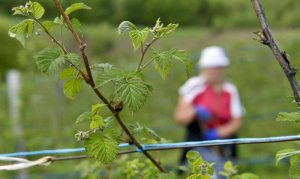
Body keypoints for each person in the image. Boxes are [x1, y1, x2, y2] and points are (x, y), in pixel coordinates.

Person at [174, 46, 243, 178]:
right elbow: (179, 117)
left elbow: (237, 121)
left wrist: (218, 133)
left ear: (222, 68)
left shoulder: (230, 90)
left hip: (224, 144)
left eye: (216, 67)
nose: (212, 71)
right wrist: (194, 112)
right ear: (202, 68)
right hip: (199, 142)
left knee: (225, 173)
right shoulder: (193, 86)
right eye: (209, 67)